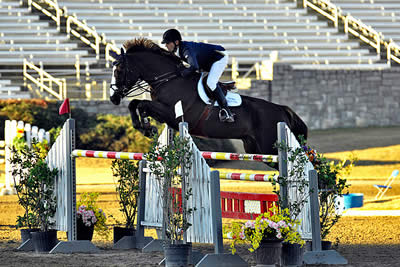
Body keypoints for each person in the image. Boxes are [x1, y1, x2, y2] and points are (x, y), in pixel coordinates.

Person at [161, 28, 235, 123]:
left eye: (167, 43)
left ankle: (226, 110)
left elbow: (194, 66)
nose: (166, 46)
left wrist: (181, 73)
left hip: (219, 57)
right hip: (206, 62)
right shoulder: (178, 50)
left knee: (210, 83)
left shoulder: (186, 49)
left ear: (176, 42)